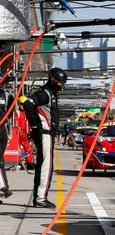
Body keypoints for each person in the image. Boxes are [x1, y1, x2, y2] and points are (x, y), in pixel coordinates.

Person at [18, 67, 68, 208]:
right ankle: (40, 198)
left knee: (43, 165)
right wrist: (34, 125)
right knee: (46, 166)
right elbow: (27, 103)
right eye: (60, 82)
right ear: (54, 80)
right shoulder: (44, 94)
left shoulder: (50, 94)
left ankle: (39, 197)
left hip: (46, 134)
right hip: (44, 134)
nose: (62, 85)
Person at [0, 81, 14, 202]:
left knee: (1, 159)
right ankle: (4, 187)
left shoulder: (6, 95)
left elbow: (11, 108)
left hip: (2, 128)